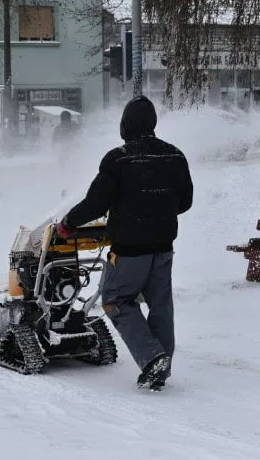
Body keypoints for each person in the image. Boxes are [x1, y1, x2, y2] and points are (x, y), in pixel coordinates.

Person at [56, 95, 193, 391]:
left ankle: (152, 358)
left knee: (116, 300)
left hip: (130, 250)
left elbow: (96, 203)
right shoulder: (175, 156)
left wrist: (68, 223)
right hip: (163, 248)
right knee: (160, 306)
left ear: (125, 125)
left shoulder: (117, 159)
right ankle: (160, 366)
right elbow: (185, 202)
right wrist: (158, 209)